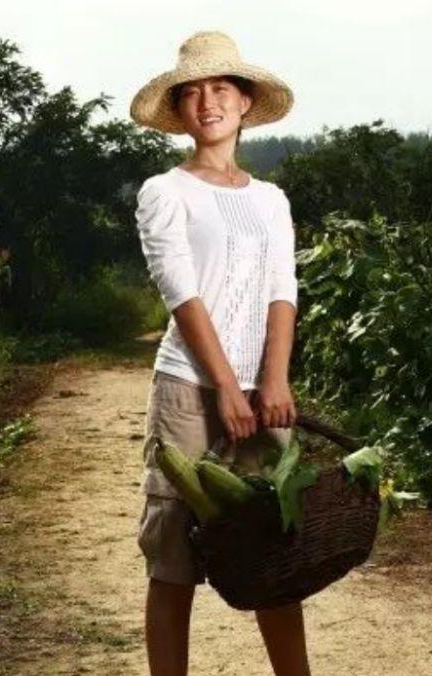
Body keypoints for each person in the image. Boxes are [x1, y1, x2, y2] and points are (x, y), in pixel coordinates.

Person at [128, 31, 310, 676]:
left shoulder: (270, 199)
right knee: (174, 553)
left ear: (244, 101)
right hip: (187, 390)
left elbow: (281, 291)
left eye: (221, 88)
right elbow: (181, 291)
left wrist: (274, 379)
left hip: (262, 393)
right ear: (179, 110)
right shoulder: (164, 190)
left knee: (275, 549)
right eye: (193, 91)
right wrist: (228, 387)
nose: (208, 101)